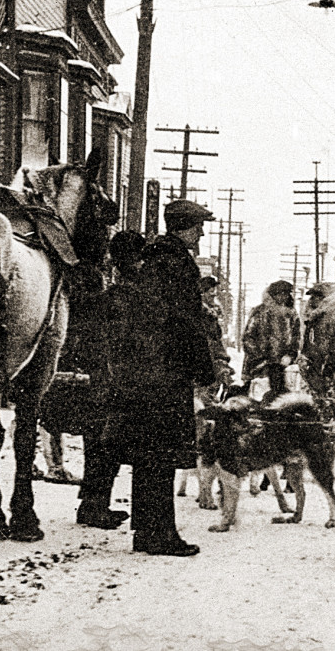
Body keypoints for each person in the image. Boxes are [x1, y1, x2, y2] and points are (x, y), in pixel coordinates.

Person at [102, 199, 216, 556]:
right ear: (183, 226)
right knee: (161, 455)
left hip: (146, 370)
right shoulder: (176, 263)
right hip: (166, 371)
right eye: (198, 225)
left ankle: (148, 530)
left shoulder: (152, 260)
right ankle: (160, 534)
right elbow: (186, 322)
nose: (201, 231)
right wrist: (204, 368)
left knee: (149, 455)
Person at [74, 231, 144, 530]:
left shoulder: (108, 297)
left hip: (103, 378)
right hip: (114, 381)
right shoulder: (125, 298)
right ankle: (94, 507)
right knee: (106, 446)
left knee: (100, 446)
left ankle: (93, 504)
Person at [242, 280, 301, 400]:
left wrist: (290, 355)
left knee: (282, 398)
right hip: (259, 365)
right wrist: (261, 359)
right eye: (279, 294)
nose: (283, 297)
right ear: (273, 295)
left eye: (286, 294)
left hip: (283, 365)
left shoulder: (292, 314)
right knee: (258, 396)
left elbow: (296, 338)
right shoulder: (259, 312)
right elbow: (248, 338)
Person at [299, 282, 335, 395]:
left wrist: (328, 368)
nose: (313, 300)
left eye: (317, 296)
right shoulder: (314, 318)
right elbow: (309, 342)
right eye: (312, 296)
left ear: (326, 299)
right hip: (318, 369)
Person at [199, 275, 234, 392]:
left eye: (214, 291)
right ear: (202, 293)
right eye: (210, 291)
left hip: (213, 360)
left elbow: (217, 340)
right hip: (203, 360)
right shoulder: (199, 313)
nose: (214, 294)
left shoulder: (213, 313)